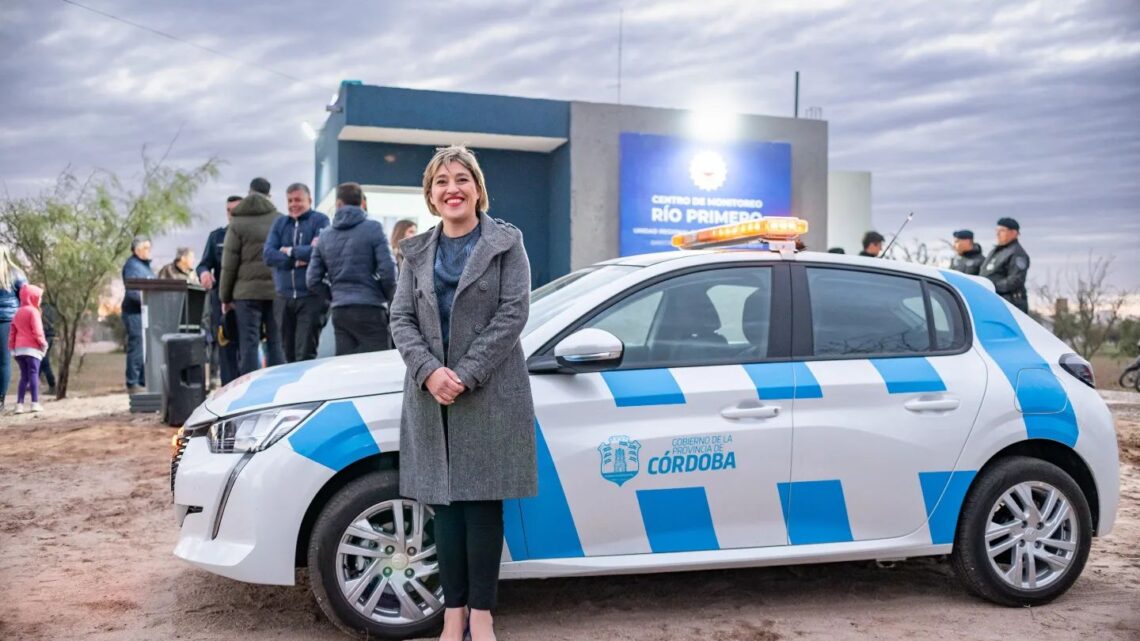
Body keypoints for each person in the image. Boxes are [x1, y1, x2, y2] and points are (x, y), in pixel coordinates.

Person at [390, 145, 536, 641]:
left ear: (478, 188)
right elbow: (400, 319)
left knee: (481, 507)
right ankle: (453, 615)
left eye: (462, 179)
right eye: (441, 181)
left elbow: (513, 313)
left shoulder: (506, 244)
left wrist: (465, 373)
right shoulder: (413, 253)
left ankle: (483, 616)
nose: (452, 188)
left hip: (489, 392)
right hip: (432, 397)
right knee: (445, 509)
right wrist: (430, 372)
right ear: (431, 197)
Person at [306, 182, 397, 355]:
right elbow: (388, 270)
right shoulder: (373, 228)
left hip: (341, 310)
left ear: (338, 204)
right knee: (375, 365)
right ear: (362, 203)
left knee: (347, 367)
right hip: (371, 308)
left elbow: (312, 279)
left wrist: (334, 295)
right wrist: (384, 294)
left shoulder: (325, 235)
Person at [220, 177, 285, 375]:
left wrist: (225, 297)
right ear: (270, 196)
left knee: (248, 345)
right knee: (276, 342)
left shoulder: (238, 222)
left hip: (245, 294)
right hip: (276, 291)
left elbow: (229, 264)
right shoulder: (279, 220)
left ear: (249, 193)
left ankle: (250, 393)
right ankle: (279, 389)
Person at [264, 183, 330, 363]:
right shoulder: (280, 223)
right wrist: (295, 260)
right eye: (290, 200)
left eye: (298, 200)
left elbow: (318, 252)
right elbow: (268, 254)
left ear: (309, 200)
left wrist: (289, 251)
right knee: (288, 353)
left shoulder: (320, 221)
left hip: (310, 297)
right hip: (283, 298)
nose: (294, 204)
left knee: (305, 352)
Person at [198, 196, 242, 386]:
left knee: (247, 349)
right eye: (229, 210)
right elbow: (203, 264)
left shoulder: (253, 236)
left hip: (247, 301)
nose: (232, 214)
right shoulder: (216, 237)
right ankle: (228, 389)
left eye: (236, 210)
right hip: (222, 303)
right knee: (225, 348)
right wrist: (204, 273)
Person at [122, 236, 156, 393]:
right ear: (137, 249)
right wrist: (148, 299)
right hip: (135, 313)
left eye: (149, 248)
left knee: (146, 348)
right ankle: (133, 382)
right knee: (137, 346)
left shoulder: (146, 266)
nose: (148, 251)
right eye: (146, 248)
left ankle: (143, 381)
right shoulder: (132, 266)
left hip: (147, 312)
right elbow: (133, 292)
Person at [9, 284, 48, 414]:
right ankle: (34, 403)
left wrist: (12, 348)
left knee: (24, 376)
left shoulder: (17, 312)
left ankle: (19, 405)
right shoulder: (33, 312)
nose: (40, 300)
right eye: (39, 297)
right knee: (33, 375)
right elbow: (38, 331)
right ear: (33, 297)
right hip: (32, 349)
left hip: (19, 350)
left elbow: (12, 333)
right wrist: (43, 343)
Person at [981, 217, 1031, 313]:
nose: (997, 234)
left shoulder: (1017, 254)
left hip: (1010, 304)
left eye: (1002, 230)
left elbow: (1015, 280)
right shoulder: (996, 251)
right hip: (995, 300)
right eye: (997, 230)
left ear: (1014, 233)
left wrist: (991, 286)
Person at [0, 245, 28, 412]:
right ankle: (1, 400)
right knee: (4, 362)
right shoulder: (17, 272)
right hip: (9, 320)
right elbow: (25, 297)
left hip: (7, 320)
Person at [39, 301, 57, 396]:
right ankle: (31, 383)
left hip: (45, 335)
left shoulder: (42, 308)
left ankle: (52, 385)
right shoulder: (51, 307)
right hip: (49, 335)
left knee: (44, 361)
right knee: (40, 360)